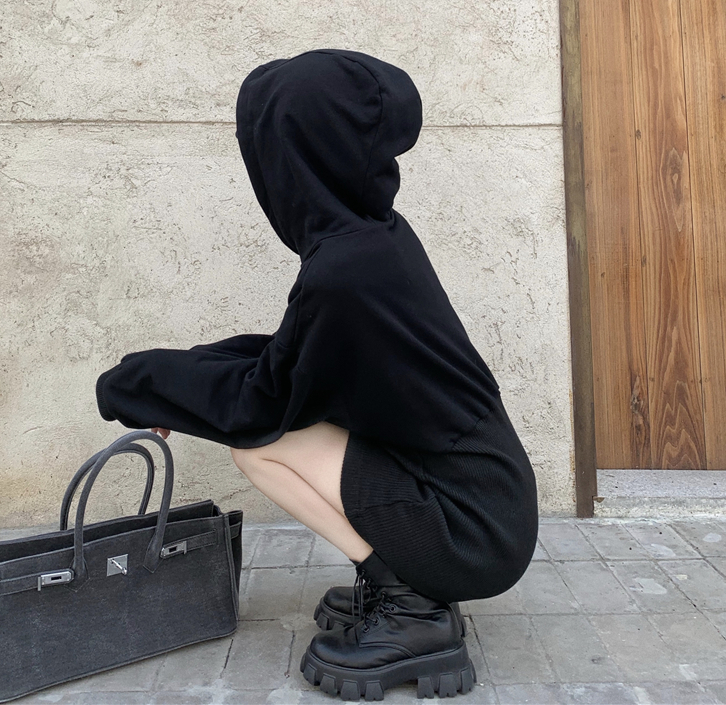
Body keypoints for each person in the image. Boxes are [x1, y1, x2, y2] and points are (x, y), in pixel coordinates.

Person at [95, 48, 538, 700]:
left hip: (474, 530)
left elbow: (260, 405)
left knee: (260, 445)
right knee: (274, 427)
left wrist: (135, 386)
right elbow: (290, 358)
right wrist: (168, 382)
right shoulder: (372, 241)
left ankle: (412, 607)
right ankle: (405, 582)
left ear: (295, 159)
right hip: (483, 498)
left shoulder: (345, 272)